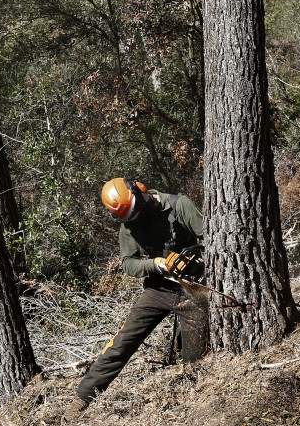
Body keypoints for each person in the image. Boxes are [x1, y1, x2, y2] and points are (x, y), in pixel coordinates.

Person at [63, 176, 207, 419]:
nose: (135, 219)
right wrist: (157, 264)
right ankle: (81, 399)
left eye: (136, 212)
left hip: (193, 290)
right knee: (123, 341)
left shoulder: (179, 204)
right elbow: (129, 264)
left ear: (140, 192)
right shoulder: (128, 223)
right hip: (158, 290)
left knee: (195, 358)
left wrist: (197, 263)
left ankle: (189, 397)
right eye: (129, 218)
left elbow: (212, 238)